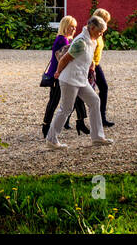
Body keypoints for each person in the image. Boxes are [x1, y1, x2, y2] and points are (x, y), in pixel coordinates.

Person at [44, 16, 113, 149]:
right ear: (92, 28)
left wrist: (92, 64)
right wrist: (58, 73)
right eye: (100, 31)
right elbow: (64, 59)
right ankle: (51, 139)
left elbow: (87, 57)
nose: (101, 34)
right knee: (66, 109)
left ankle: (97, 137)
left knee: (94, 101)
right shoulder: (80, 41)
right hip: (69, 79)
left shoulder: (91, 40)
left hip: (80, 79)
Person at [40, 16, 88, 137]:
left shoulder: (66, 39)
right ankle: (46, 126)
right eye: (71, 26)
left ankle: (79, 122)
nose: (74, 29)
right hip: (57, 75)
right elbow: (64, 60)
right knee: (54, 101)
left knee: (76, 98)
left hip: (62, 74)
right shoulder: (62, 40)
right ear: (65, 26)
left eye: (75, 27)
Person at [91, 7, 114, 128]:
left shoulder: (99, 33)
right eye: (106, 21)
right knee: (82, 92)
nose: (107, 24)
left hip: (96, 64)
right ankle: (68, 118)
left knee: (103, 88)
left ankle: (101, 117)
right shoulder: (94, 32)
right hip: (90, 65)